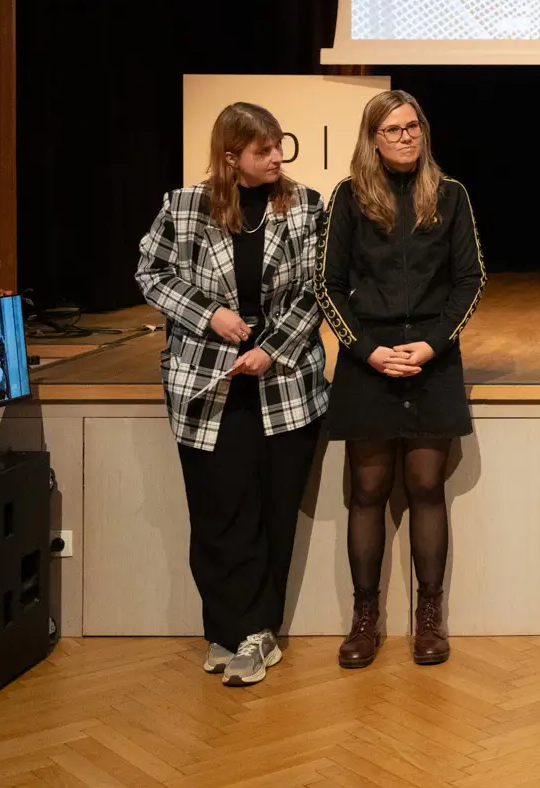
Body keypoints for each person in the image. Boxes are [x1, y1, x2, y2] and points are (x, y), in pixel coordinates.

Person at [136, 103, 329, 687]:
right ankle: (228, 629)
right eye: (263, 150)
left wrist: (271, 349)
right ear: (230, 157)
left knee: (272, 508)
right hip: (206, 385)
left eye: (278, 147)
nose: (277, 158)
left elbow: (321, 286)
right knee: (220, 511)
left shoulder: (305, 206)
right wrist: (211, 314)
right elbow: (152, 274)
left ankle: (256, 632)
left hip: (283, 382)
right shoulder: (184, 206)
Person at [318, 89, 486, 669]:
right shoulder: (347, 198)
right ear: (372, 139)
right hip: (369, 363)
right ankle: (365, 621)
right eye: (393, 129)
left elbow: (470, 280)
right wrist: (368, 351)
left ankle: (429, 618)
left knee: (424, 486)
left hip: (431, 362)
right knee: (366, 490)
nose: (407, 136)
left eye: (413, 125)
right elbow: (328, 286)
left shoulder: (452, 195)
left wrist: (431, 345)